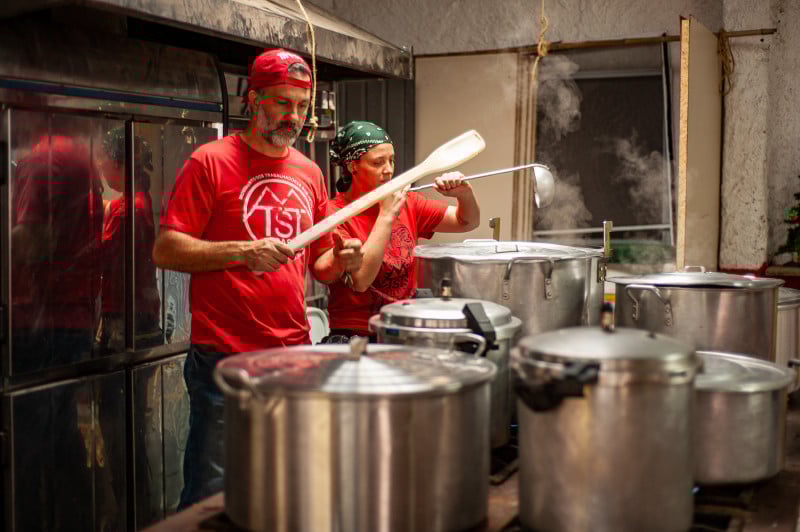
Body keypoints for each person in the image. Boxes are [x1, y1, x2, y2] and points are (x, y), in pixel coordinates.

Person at [152, 48, 363, 509]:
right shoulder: (209, 162)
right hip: (224, 356)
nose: (294, 117)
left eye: (302, 106)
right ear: (253, 99)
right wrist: (242, 253)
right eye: (282, 103)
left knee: (282, 484)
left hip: (292, 351)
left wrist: (345, 258)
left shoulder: (309, 172)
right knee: (212, 494)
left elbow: (319, 264)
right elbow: (166, 249)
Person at [323, 121, 480, 341]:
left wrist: (464, 194)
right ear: (352, 166)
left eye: (391, 160)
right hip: (357, 336)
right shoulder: (334, 215)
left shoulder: (408, 203)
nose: (388, 170)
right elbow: (360, 281)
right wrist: (386, 215)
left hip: (404, 329)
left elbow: (467, 222)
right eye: (378, 162)